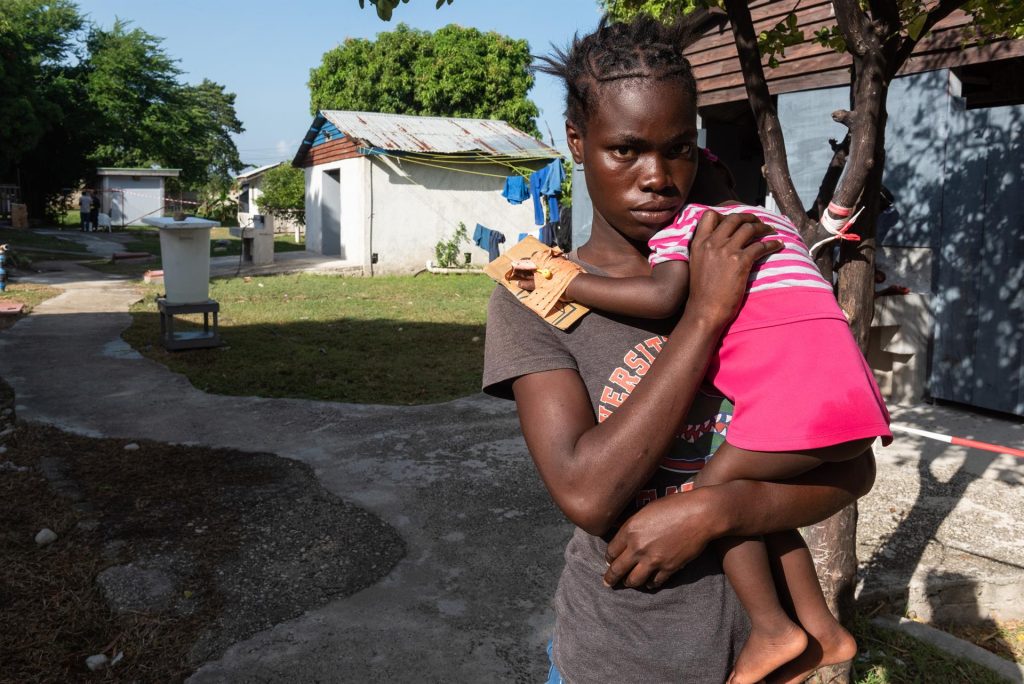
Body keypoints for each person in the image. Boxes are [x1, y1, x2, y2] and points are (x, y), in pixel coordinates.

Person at [483, 15, 880, 684]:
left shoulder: (743, 263)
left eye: (678, 150)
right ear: (577, 141)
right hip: (621, 657)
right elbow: (587, 494)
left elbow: (850, 465)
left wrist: (718, 509)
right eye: (625, 150)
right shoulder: (534, 297)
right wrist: (705, 316)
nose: (657, 177)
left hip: (758, 659)